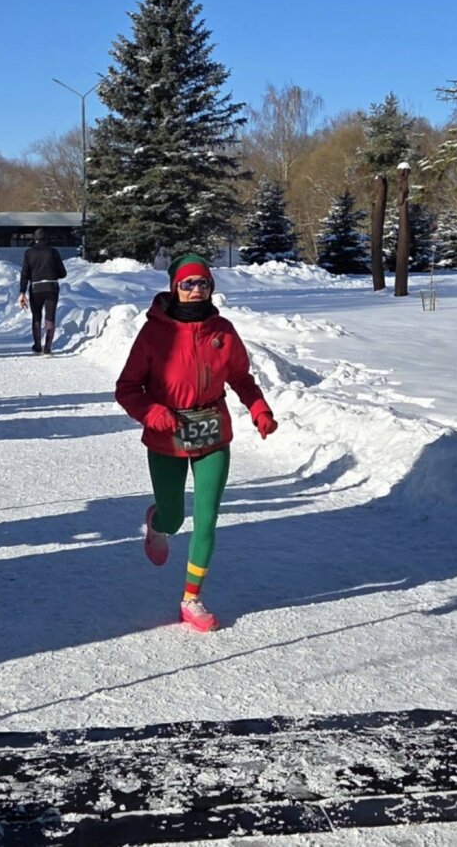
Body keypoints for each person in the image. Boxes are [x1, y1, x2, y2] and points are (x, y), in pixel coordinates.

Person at [114, 253, 278, 634]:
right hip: (167, 435)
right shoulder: (154, 333)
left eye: (202, 283)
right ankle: (157, 522)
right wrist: (153, 413)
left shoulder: (222, 331)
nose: (195, 289)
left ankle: (191, 598)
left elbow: (241, 378)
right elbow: (126, 388)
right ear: (175, 288)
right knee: (174, 518)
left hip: (213, 433)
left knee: (207, 518)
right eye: (187, 283)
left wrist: (259, 409)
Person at [18, 228, 67, 354]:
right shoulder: (53, 252)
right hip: (51, 287)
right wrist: (52, 274)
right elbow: (63, 273)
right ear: (46, 239)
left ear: (34, 239)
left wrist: (22, 292)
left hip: (36, 288)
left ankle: (38, 346)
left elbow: (24, 274)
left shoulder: (29, 253)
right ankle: (48, 347)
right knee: (50, 317)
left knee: (36, 316)